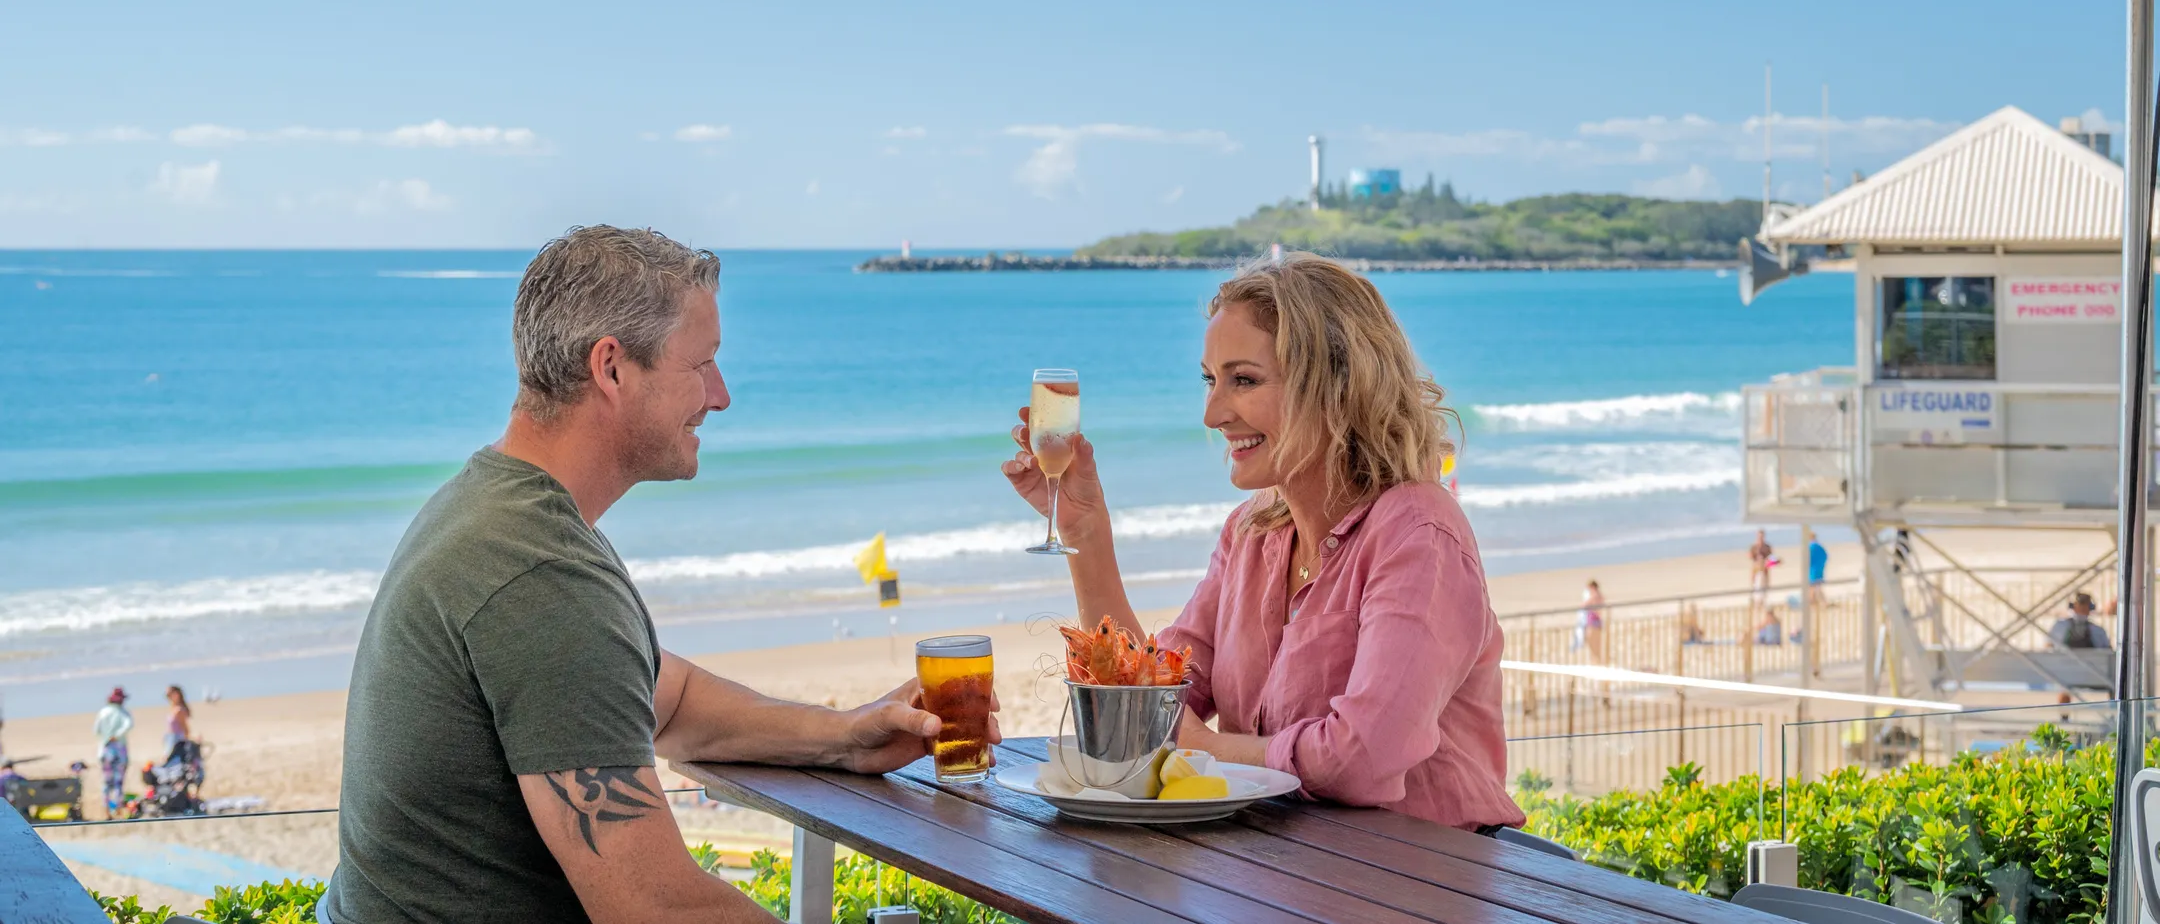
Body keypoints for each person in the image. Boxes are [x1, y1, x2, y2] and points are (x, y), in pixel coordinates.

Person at [324, 227, 963, 924]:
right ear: (613, 368)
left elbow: (671, 701)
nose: (721, 396)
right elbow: (654, 910)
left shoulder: (498, 506)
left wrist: (845, 734)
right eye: (703, 364)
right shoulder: (540, 573)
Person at [1001, 252, 1521, 831]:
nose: (1212, 413)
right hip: (1284, 875)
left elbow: (1362, 760)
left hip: (1420, 884)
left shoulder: (1419, 533)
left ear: (1336, 387)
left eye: (1243, 380)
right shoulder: (1251, 534)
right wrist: (1086, 531)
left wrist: (1211, 750)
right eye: (1210, 379)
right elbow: (1140, 714)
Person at [92, 688, 132, 816]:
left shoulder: (103, 712)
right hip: (119, 749)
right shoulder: (121, 712)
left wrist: (106, 736)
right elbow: (128, 725)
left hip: (105, 748)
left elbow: (96, 730)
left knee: (106, 781)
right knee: (118, 781)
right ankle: (118, 808)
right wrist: (116, 735)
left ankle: (107, 809)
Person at [1578, 581, 1607, 666]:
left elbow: (1584, 605)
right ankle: (1597, 661)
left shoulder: (1594, 595)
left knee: (1591, 641)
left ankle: (1595, 661)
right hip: (1597, 620)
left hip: (1593, 620)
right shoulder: (1600, 595)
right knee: (1596, 642)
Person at [162, 685, 191, 756]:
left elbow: (185, 728)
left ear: (176, 694)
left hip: (177, 739)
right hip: (171, 738)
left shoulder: (179, 710)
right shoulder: (173, 708)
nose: (168, 698)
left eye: (169, 695)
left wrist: (186, 742)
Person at [1748, 530, 1775, 601]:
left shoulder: (1767, 547)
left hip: (1765, 571)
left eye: (1762, 537)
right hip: (1756, 571)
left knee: (1765, 592)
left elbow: (1772, 559)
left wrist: (1768, 561)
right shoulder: (1754, 547)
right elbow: (1750, 556)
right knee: (1756, 591)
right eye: (1759, 537)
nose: (1760, 538)